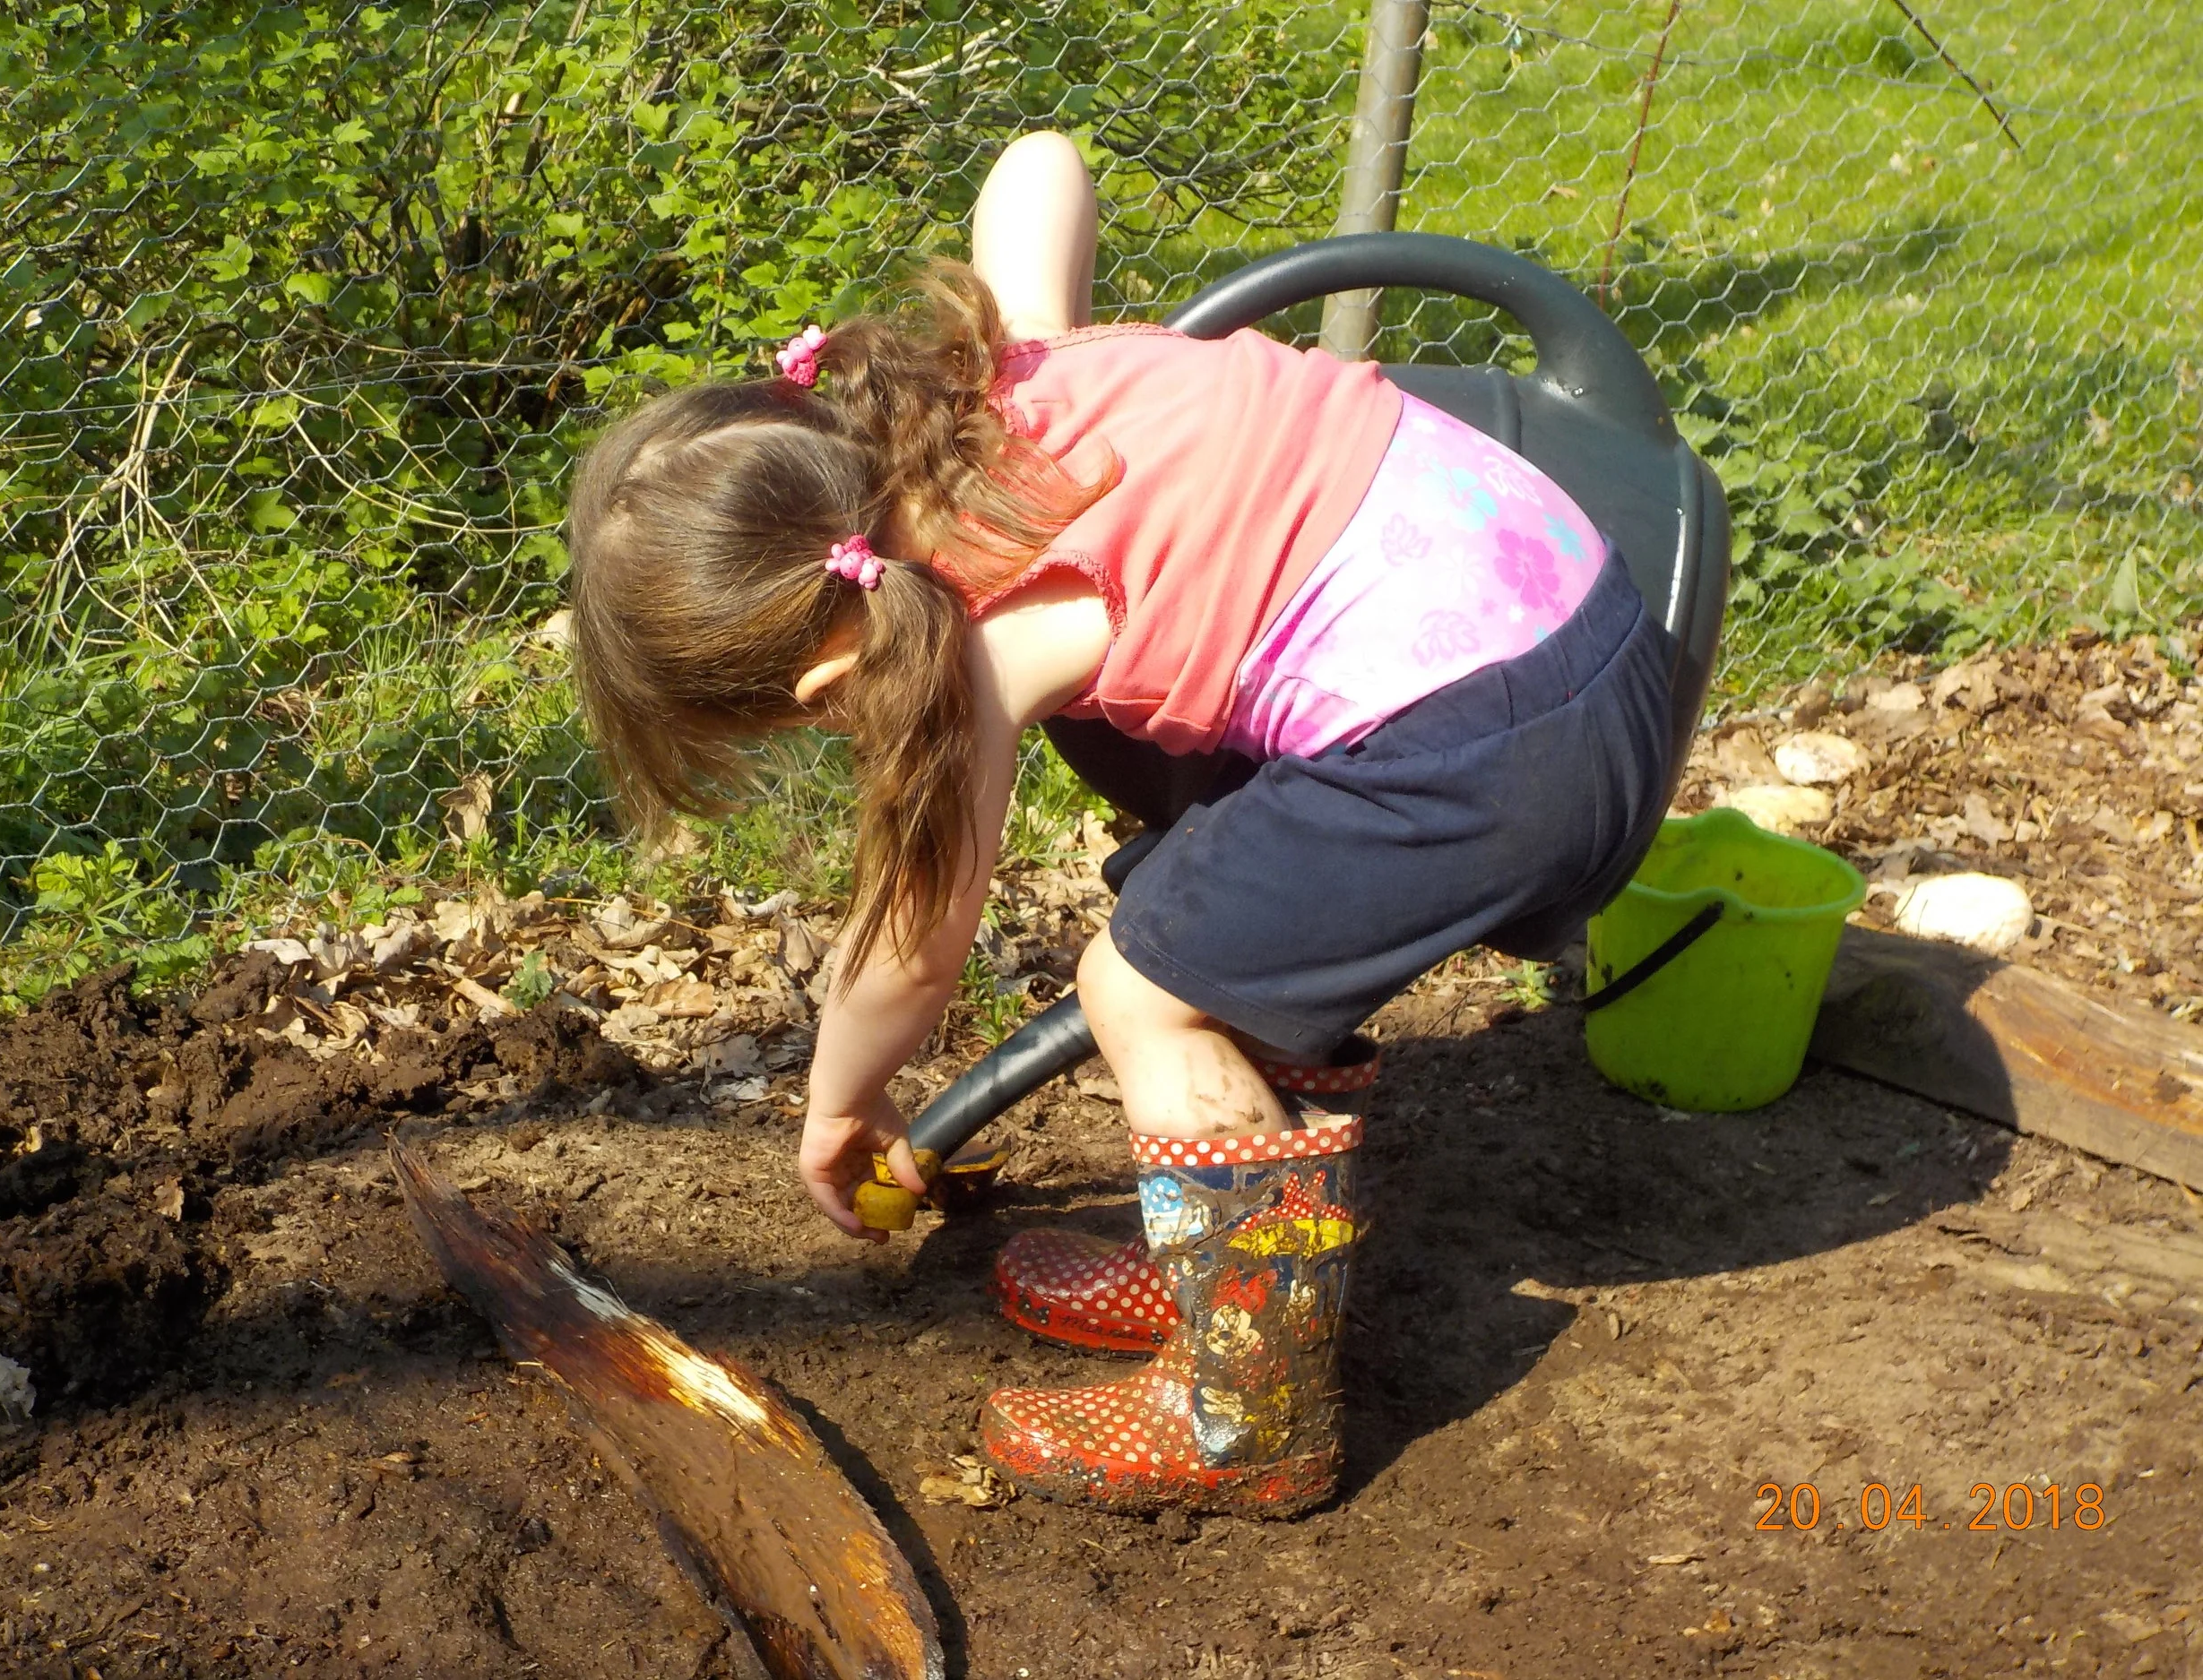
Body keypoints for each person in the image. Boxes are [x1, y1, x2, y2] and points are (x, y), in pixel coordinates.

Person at [564, 132, 1674, 1518]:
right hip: (1583, 607)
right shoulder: (1006, 369)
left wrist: (839, 1101)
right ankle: (1216, 1241)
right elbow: (1041, 166)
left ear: (821, 682)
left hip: (1505, 737)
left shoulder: (977, 642)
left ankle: (1249, 1408)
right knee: (1212, 903)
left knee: (1145, 988)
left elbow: (912, 947)